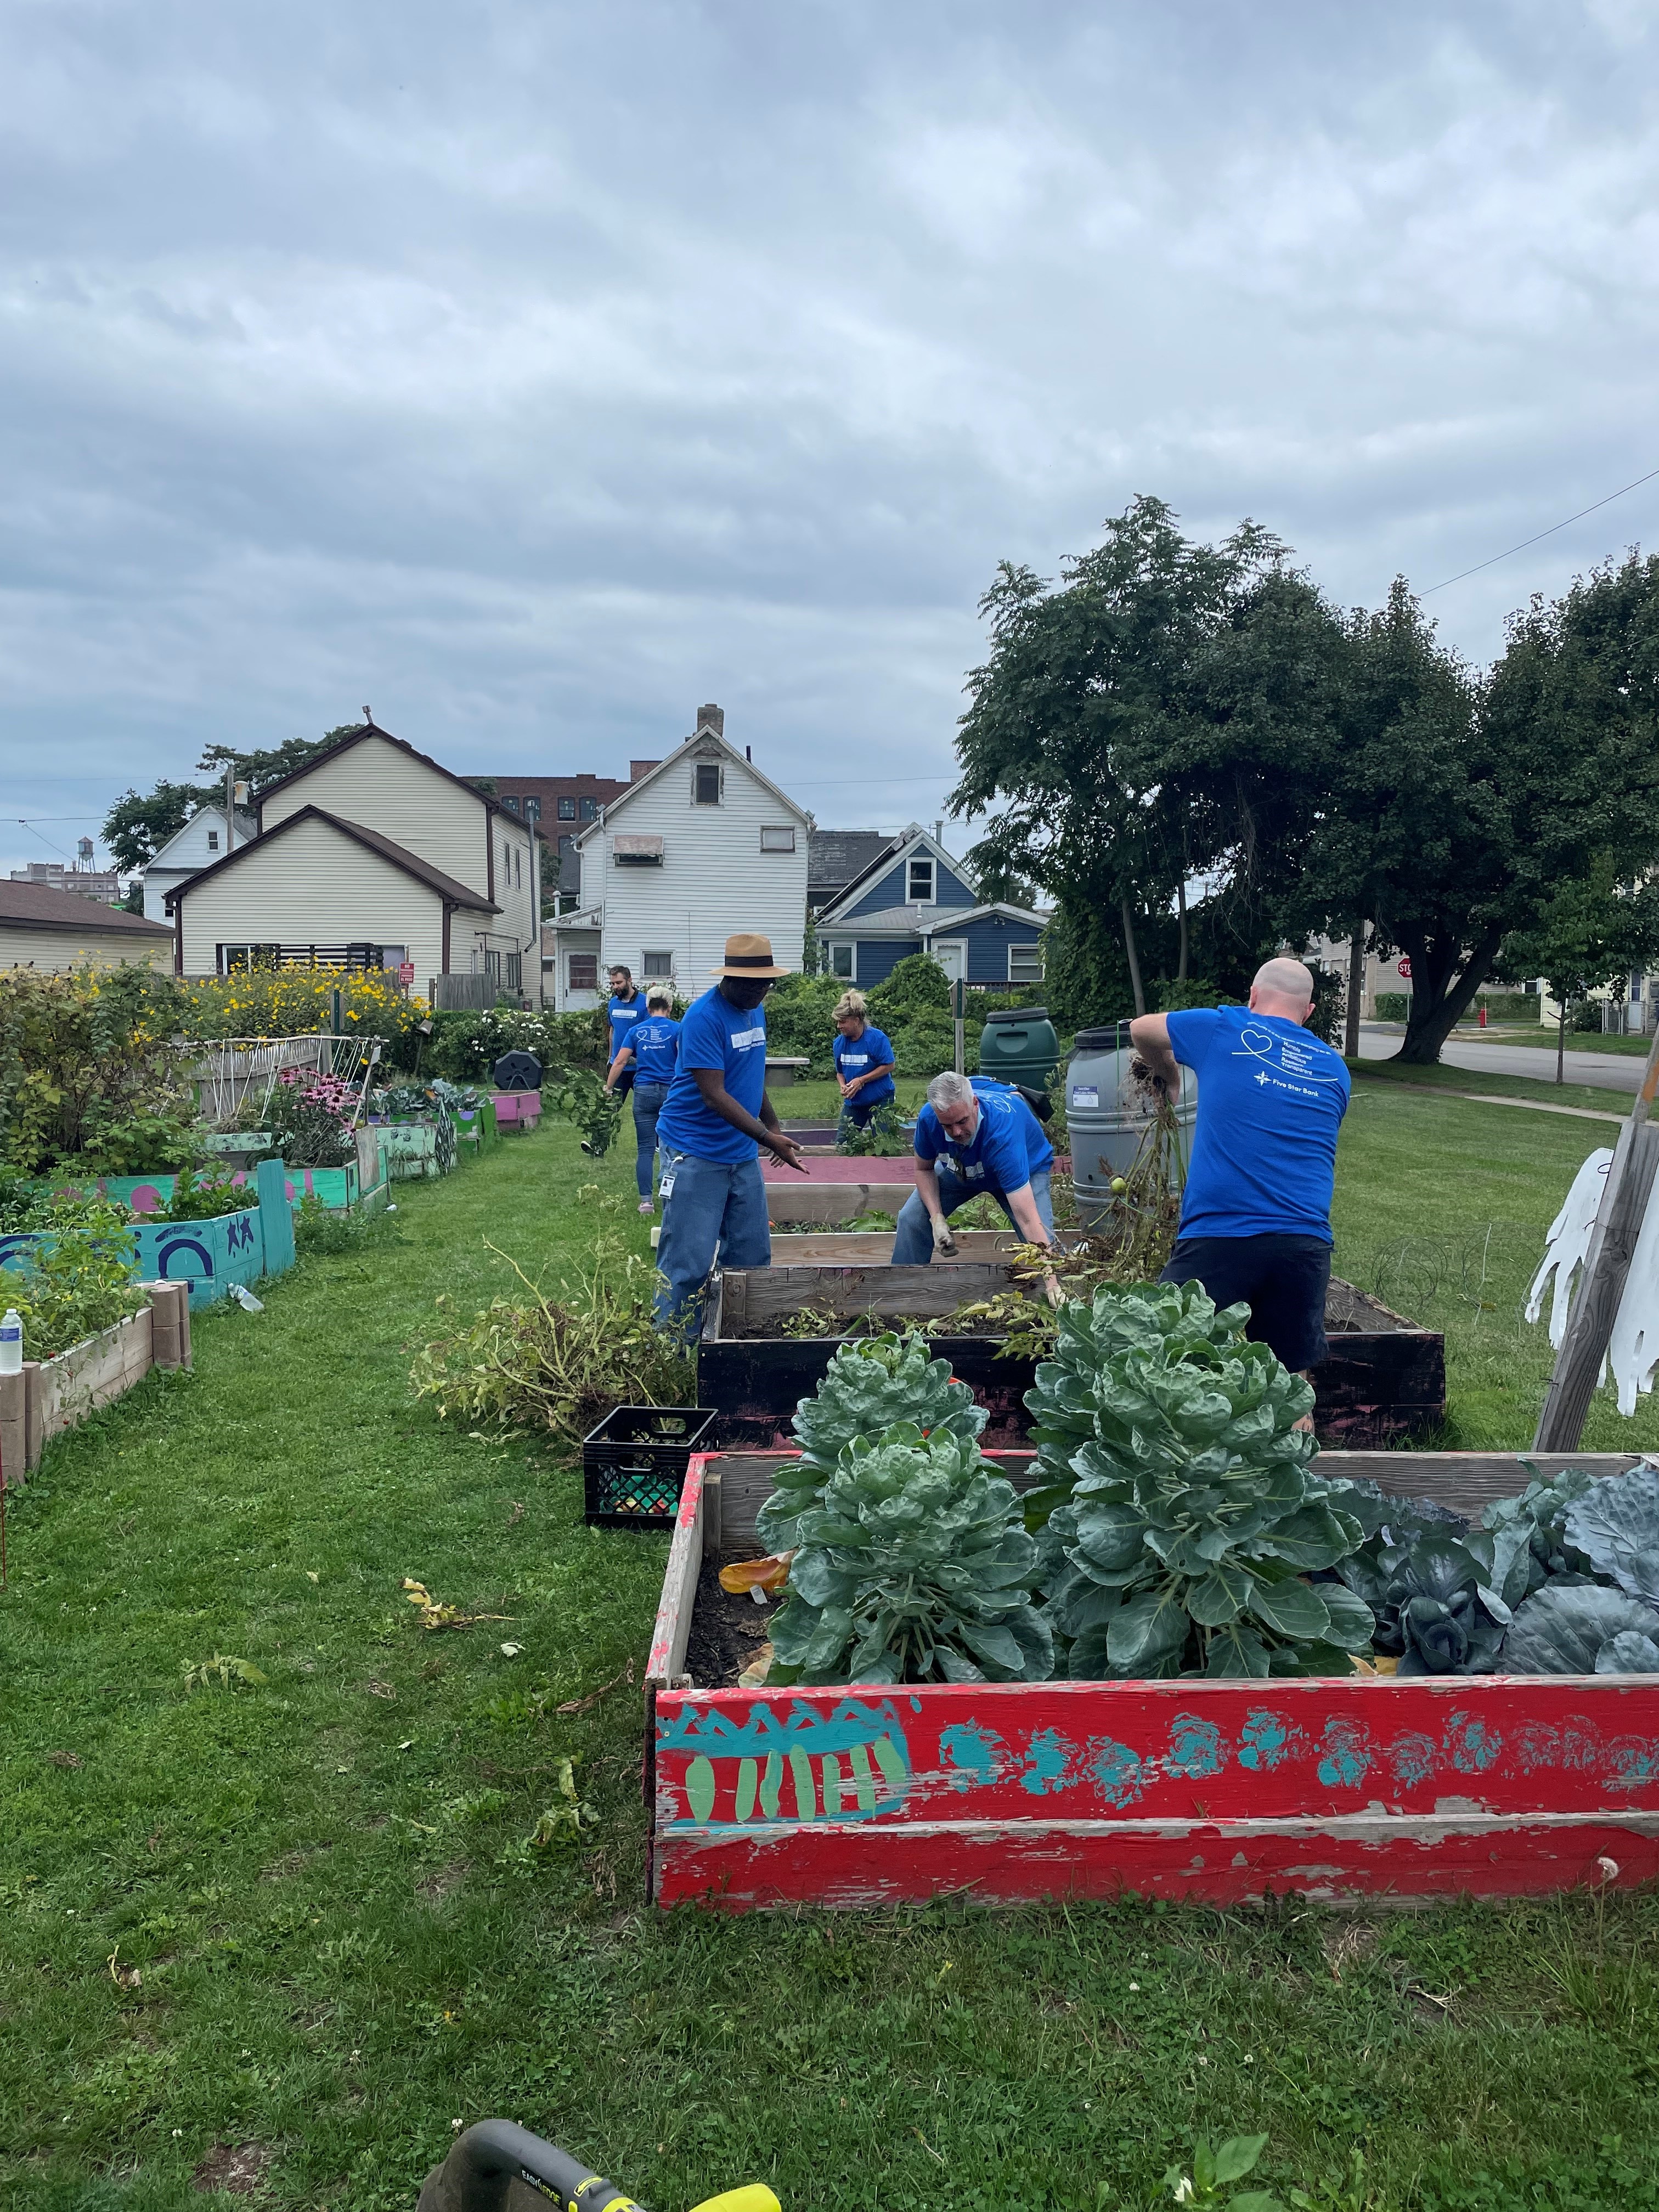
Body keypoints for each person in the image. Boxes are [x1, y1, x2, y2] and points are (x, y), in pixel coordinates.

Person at [1128, 956, 1350, 1393]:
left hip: (1222, 1234)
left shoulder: (1225, 1028)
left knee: (1161, 1363)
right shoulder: (1335, 1069)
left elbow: (1141, 1029)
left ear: (1252, 997)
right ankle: (1294, 1459)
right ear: (1308, 1013)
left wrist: (1170, 1078)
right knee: (1289, 1389)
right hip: (1304, 1245)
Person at [653, 933, 806, 1331]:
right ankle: (672, 1349)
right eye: (755, 984)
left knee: (752, 1254)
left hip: (739, 1154)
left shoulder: (755, 1010)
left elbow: (750, 1079)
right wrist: (767, 1139)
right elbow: (715, 1095)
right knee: (688, 1261)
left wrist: (773, 1125)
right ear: (731, 978)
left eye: (767, 984)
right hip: (695, 1152)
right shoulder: (704, 1018)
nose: (762, 991)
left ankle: (735, 1337)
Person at [891, 1070, 1055, 1262]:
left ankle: (1050, 1286)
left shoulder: (1002, 1134)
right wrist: (936, 1219)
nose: (957, 1132)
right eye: (947, 1126)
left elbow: (1028, 1220)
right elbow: (923, 1169)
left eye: (962, 1121)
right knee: (912, 1219)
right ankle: (905, 1286)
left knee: (1042, 1241)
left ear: (975, 1104)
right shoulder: (929, 1118)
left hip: (1026, 1169)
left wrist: (1052, 1285)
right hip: (963, 1168)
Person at [606, 987, 680, 1214]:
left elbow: (619, 1061)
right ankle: (670, 1198)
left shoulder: (637, 1031)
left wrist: (608, 1087)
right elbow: (687, 1060)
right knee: (673, 1149)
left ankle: (646, 1202)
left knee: (646, 1149)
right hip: (671, 1093)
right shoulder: (679, 1029)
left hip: (644, 1092)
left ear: (647, 1008)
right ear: (670, 1007)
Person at [831, 989, 896, 1133]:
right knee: (843, 1144)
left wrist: (862, 1080)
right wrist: (843, 1085)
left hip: (881, 1100)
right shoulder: (839, 1044)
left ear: (856, 1021)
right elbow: (840, 1072)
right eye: (837, 1022)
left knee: (884, 1143)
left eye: (843, 1022)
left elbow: (890, 1065)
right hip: (854, 1102)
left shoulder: (877, 1039)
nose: (839, 1026)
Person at [602, 966, 648, 1100]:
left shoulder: (645, 1003)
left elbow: (649, 1035)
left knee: (644, 1110)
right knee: (611, 1109)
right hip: (618, 1068)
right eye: (612, 984)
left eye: (619, 983)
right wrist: (610, 1058)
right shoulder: (612, 1004)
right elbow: (612, 1031)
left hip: (640, 1068)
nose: (615, 987)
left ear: (629, 980)